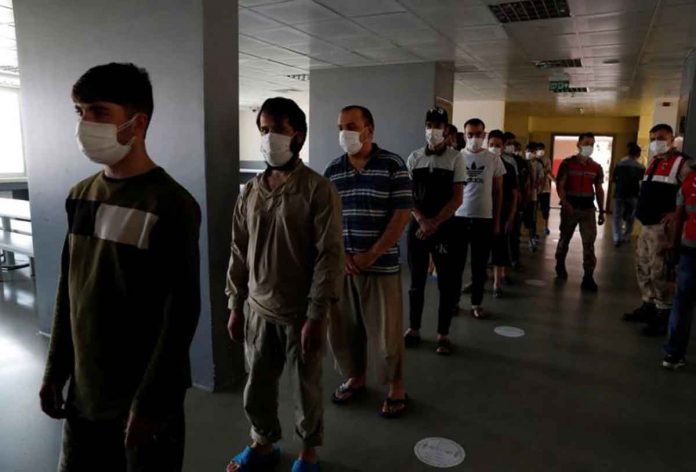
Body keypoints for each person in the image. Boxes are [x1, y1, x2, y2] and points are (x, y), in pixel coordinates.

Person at [39, 63, 201, 472]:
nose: (84, 124)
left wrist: (151, 402)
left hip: (141, 399)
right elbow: (69, 289)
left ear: (136, 123)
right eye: (79, 111)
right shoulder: (81, 196)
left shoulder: (170, 204)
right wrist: (55, 369)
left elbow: (181, 312)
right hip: (85, 391)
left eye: (98, 112)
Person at [225, 97, 343, 472]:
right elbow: (238, 251)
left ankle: (308, 453)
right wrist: (234, 303)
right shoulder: (250, 192)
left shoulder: (317, 191)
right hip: (258, 310)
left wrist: (316, 314)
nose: (269, 137)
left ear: (299, 136)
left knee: (306, 388)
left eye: (278, 129)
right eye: (263, 129)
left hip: (300, 312)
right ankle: (262, 444)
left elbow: (329, 256)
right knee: (257, 385)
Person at [324, 105, 411, 418]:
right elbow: (327, 218)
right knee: (344, 331)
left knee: (386, 334)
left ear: (369, 130)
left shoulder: (392, 165)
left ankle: (395, 386)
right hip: (343, 268)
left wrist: (371, 253)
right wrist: (344, 256)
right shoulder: (333, 170)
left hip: (380, 267)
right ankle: (355, 377)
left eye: (351, 125)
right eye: (340, 127)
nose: (343, 133)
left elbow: (401, 215)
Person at [403, 107, 465, 355]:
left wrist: (434, 223)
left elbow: (457, 198)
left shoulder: (455, 158)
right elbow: (407, 194)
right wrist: (421, 220)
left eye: (438, 125)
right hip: (418, 226)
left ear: (447, 130)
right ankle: (414, 329)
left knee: (446, 283)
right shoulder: (414, 157)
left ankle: (443, 334)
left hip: (445, 227)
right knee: (416, 280)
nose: (433, 130)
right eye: (429, 124)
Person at [624, 124, 692, 336]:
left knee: (660, 270)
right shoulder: (653, 162)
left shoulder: (682, 163)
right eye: (653, 137)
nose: (656, 141)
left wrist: (675, 215)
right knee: (643, 266)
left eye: (661, 137)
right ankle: (648, 305)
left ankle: (663, 313)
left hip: (663, 228)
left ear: (672, 139)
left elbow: (690, 192)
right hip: (645, 224)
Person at [453, 118, 505, 319]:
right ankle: (454, 301)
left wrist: (497, 220)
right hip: (459, 217)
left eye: (478, 134)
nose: (474, 138)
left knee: (480, 265)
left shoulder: (493, 159)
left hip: (484, 218)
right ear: (465, 135)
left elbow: (498, 192)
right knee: (456, 265)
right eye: (470, 134)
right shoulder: (457, 157)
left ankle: (476, 303)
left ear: (484, 135)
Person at [554, 132, 606, 291]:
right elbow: (560, 185)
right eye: (586, 143)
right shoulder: (567, 164)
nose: (589, 147)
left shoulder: (596, 167)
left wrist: (602, 211)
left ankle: (588, 276)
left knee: (589, 243)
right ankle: (560, 263)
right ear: (578, 145)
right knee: (565, 239)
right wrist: (565, 202)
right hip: (570, 207)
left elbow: (599, 189)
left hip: (588, 209)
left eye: (592, 143)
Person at [662, 166, 696, 369]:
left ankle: (673, 355)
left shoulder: (689, 182)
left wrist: (673, 246)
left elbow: (679, 217)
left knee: (682, 303)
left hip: (690, 248)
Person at [489, 130, 519, 298]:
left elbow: (515, 194)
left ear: (503, 147)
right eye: (491, 145)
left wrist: (511, 216)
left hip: (502, 212)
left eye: (498, 145)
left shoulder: (508, 167)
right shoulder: (483, 164)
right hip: (484, 212)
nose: (494, 148)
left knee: (499, 249)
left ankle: (497, 284)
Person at [611, 143, 645, 247]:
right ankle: (627, 236)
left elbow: (613, 178)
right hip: (633, 194)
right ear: (638, 154)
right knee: (631, 217)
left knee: (617, 216)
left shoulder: (620, 164)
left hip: (619, 193)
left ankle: (617, 237)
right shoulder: (641, 167)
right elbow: (642, 182)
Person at [507, 137, 529, 269]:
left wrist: (523, 197)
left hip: (516, 200)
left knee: (514, 232)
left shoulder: (519, 162)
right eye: (508, 144)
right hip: (502, 200)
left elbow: (524, 182)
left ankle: (515, 259)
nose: (510, 147)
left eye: (511, 144)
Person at [523, 142, 541, 252]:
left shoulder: (538, 164)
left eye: (533, 152)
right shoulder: (521, 162)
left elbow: (540, 179)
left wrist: (534, 187)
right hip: (521, 197)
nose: (530, 154)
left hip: (532, 197)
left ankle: (531, 240)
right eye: (528, 151)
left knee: (531, 220)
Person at [536, 142, 553, 236]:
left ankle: (545, 226)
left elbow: (548, 172)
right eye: (539, 149)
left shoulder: (546, 159)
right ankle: (533, 231)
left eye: (542, 149)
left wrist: (554, 180)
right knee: (534, 210)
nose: (540, 151)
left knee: (545, 209)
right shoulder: (533, 159)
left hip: (545, 189)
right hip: (534, 189)